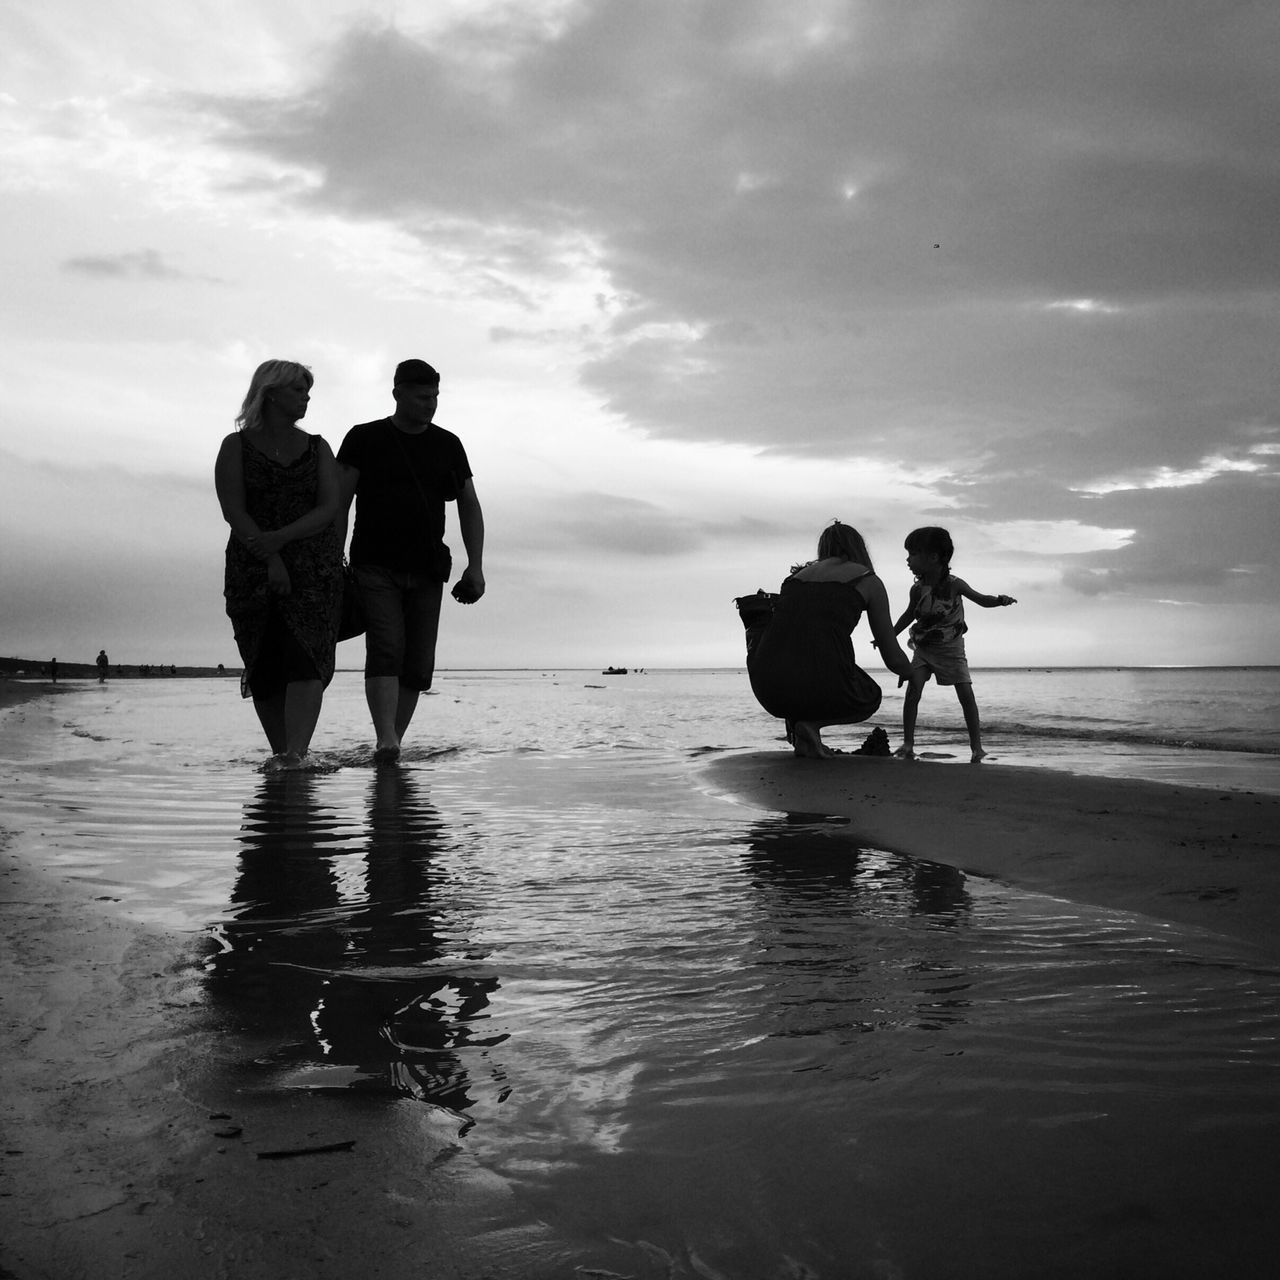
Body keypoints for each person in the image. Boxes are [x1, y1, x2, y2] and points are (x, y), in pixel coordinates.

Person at [337, 359, 485, 764]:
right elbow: (339, 502)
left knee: (418, 662)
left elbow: (468, 506)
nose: (430, 404)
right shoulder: (364, 438)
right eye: (422, 397)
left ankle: (393, 742)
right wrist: (332, 557)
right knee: (386, 646)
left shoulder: (448, 444)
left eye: (435, 397)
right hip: (373, 562)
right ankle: (385, 737)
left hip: (427, 567)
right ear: (398, 392)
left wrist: (476, 566)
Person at [215, 359, 343, 768]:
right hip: (252, 569)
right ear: (270, 392)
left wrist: (282, 539)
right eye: (298, 390)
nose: (306, 398)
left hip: (313, 569)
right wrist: (270, 555)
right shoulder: (235, 446)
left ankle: (297, 755)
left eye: (308, 391)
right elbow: (233, 509)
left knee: (306, 656)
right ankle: (281, 753)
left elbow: (329, 508)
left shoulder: (318, 447)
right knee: (265, 660)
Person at [743, 520, 912, 758]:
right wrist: (910, 671)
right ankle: (811, 726)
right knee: (869, 695)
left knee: (804, 662)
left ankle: (805, 741)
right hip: (816, 677)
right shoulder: (868, 581)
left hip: (767, 684)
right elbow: (892, 655)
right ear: (859, 549)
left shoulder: (795, 579)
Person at [892, 526, 1016, 763]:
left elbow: (981, 599)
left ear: (934, 557)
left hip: (951, 649)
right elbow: (909, 615)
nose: (908, 559)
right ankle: (908, 743)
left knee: (966, 695)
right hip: (925, 647)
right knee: (913, 691)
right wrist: (888, 635)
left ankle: (977, 747)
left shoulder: (954, 584)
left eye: (913, 554)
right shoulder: (917, 589)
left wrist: (1000, 601)